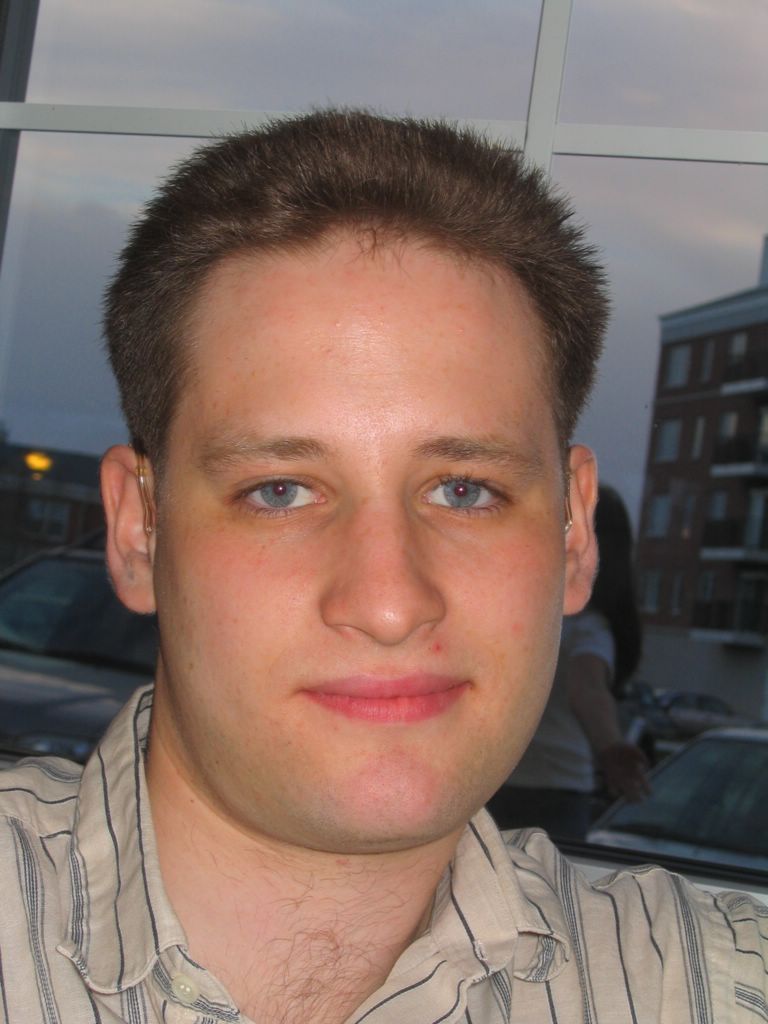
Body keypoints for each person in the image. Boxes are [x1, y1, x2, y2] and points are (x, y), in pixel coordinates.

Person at [0, 110, 765, 1024]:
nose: (390, 602)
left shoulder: (713, 986)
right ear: (138, 532)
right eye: (281, 490)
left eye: (465, 491)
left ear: (573, 533)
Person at [489, 484, 649, 838]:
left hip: (491, 784)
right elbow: (586, 689)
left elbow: (586, 689)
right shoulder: (585, 627)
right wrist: (610, 745)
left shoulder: (510, 615)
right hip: (555, 795)